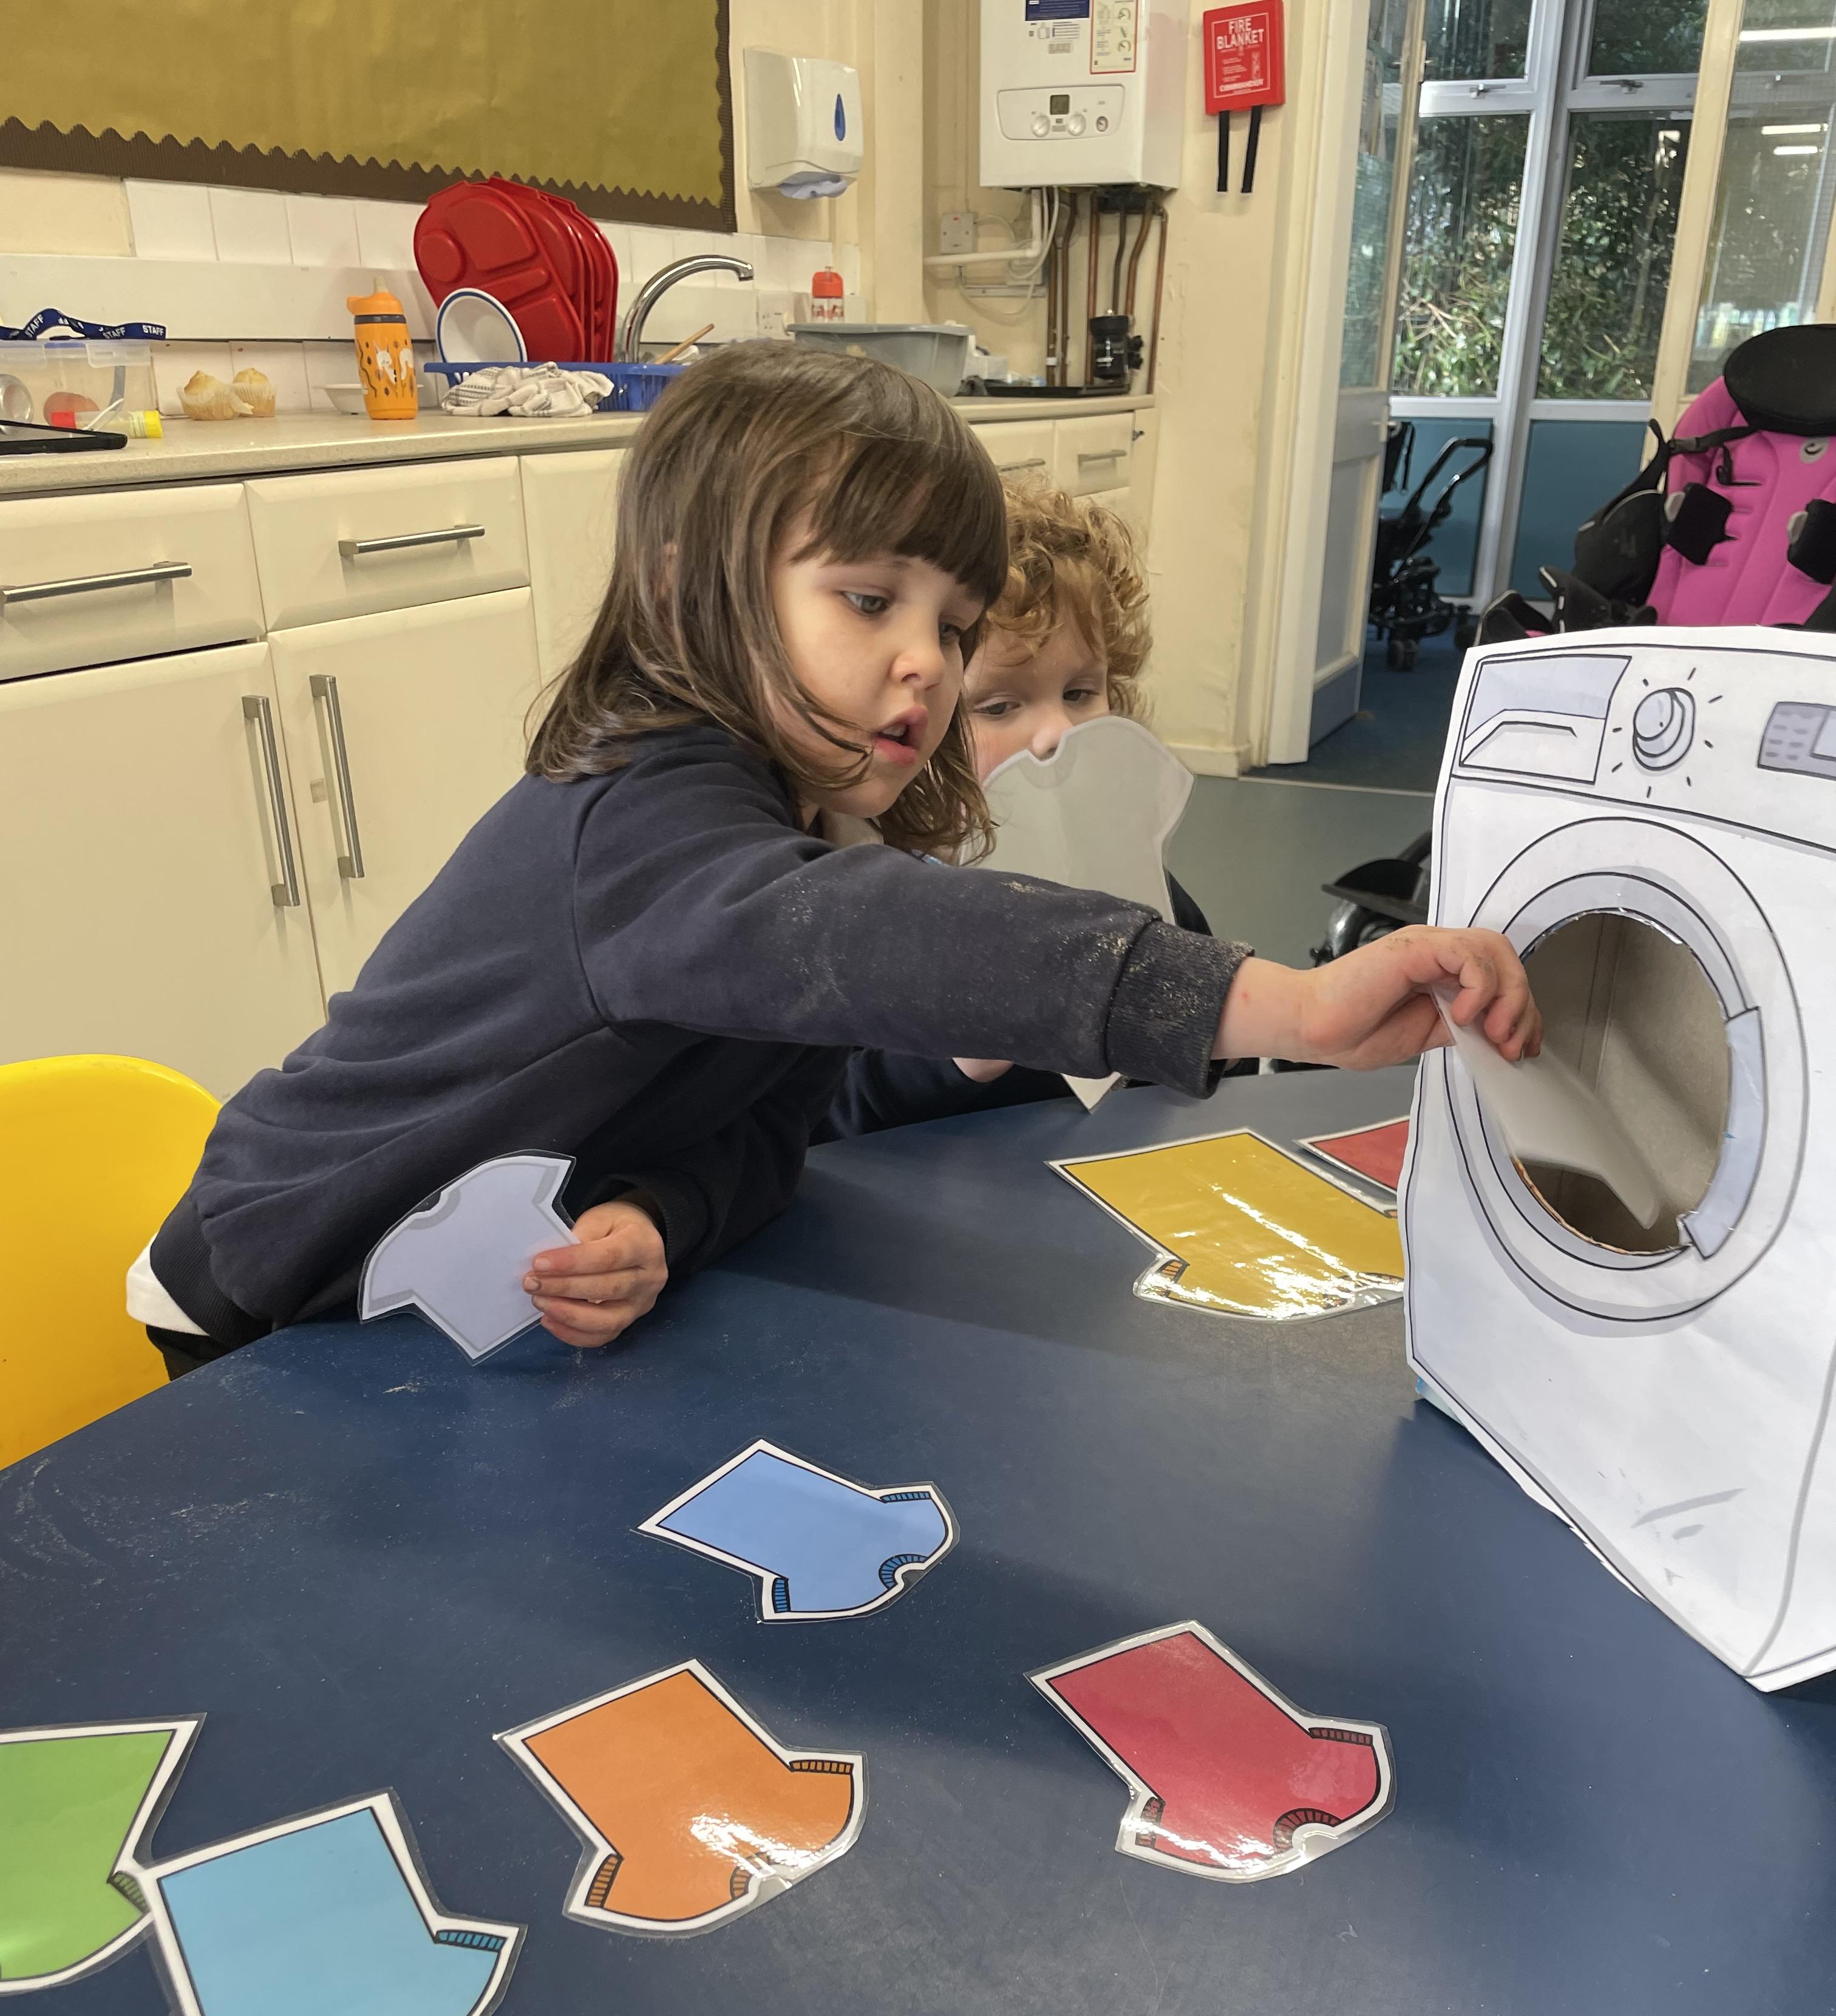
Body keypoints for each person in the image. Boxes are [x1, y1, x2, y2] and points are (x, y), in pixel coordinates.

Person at [132, 344, 1537, 1373]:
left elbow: (766, 1134)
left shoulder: (811, 823)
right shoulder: (641, 822)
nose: (926, 660)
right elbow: (877, 937)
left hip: (451, 1306)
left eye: (953, 624)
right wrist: (1288, 1006)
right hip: (269, 1286)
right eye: (869, 600)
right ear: (684, 587)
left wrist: (662, 1217)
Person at [821, 477, 1220, 1137]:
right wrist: (959, 1055)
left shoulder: (1130, 883)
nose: (1057, 734)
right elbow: (824, 1116)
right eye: (1000, 706)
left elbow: (1213, 1054)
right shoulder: (862, 904)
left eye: (1080, 693)